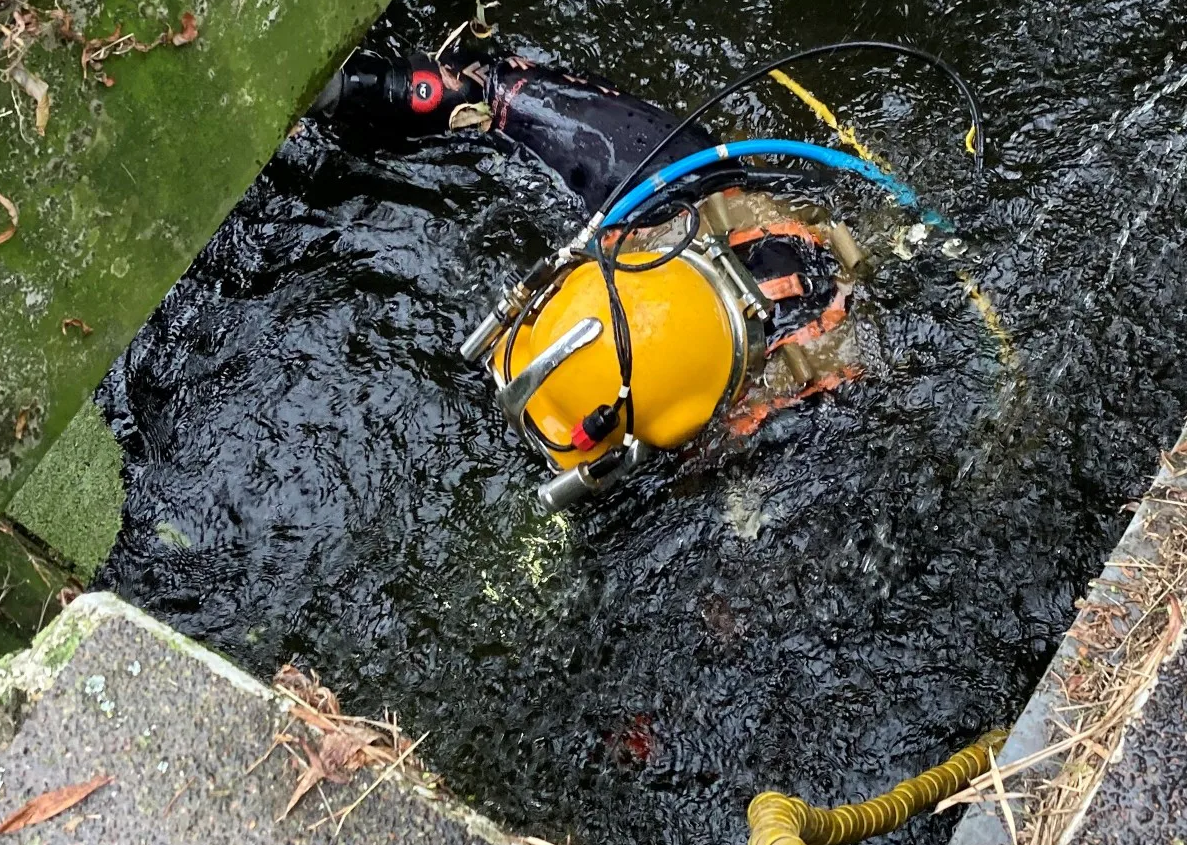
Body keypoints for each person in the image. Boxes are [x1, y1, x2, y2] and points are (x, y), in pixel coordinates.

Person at [317, 31, 866, 503]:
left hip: (728, 248)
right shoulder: (669, 187)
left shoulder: (794, 408)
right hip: (708, 218)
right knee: (483, 91)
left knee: (484, 93)